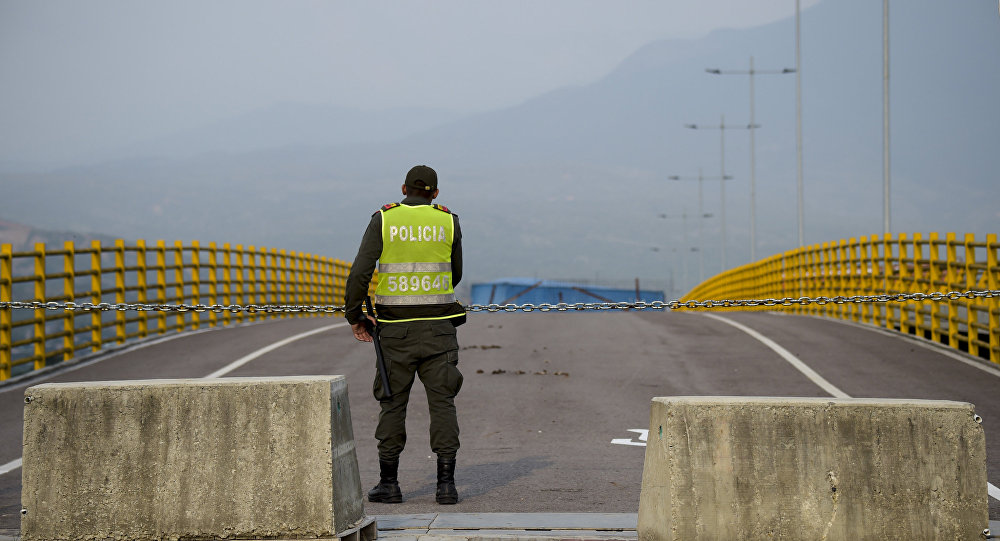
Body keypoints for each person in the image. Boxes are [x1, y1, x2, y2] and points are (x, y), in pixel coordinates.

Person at [344, 164, 467, 505]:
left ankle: (389, 484)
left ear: (403, 189)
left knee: (392, 404)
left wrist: (355, 315)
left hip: (395, 331)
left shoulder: (384, 219)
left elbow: (359, 273)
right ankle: (446, 486)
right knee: (443, 403)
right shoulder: (448, 220)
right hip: (439, 329)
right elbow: (454, 273)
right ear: (436, 194)